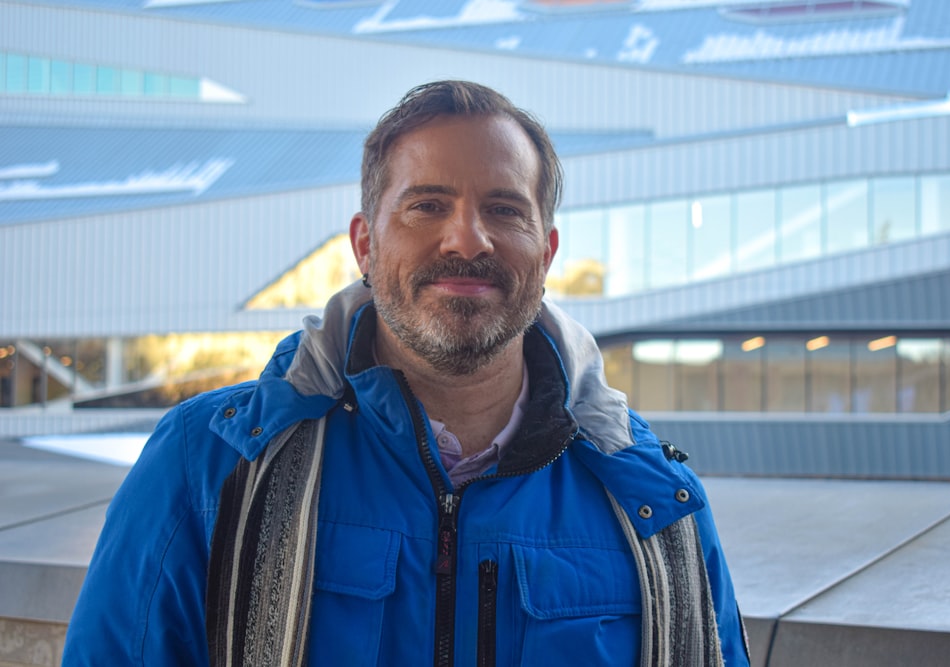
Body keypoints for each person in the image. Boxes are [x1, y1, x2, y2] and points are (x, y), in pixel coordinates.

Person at [63, 80, 750, 667]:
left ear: (546, 252)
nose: (467, 239)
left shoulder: (657, 504)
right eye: (428, 205)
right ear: (366, 243)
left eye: (505, 210)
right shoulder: (208, 464)